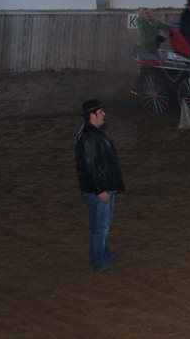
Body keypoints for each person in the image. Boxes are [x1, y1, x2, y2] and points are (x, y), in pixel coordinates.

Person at [75, 99, 125, 272]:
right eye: (101, 112)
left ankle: (102, 252)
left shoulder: (95, 132)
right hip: (99, 189)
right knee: (100, 226)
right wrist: (100, 190)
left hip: (104, 186)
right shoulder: (90, 136)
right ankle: (98, 260)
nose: (104, 114)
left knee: (103, 223)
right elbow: (90, 167)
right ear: (92, 115)